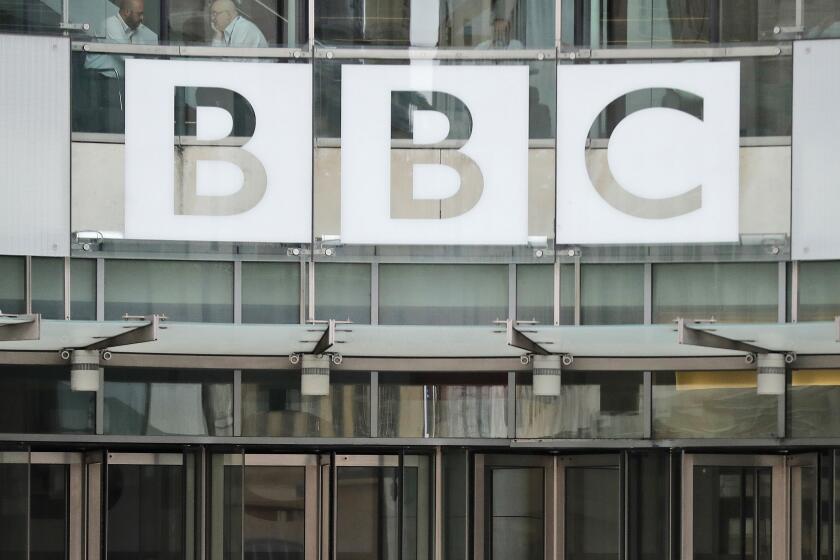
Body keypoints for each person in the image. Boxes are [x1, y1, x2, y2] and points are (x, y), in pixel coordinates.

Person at [84, 0, 158, 79]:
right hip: (98, 79)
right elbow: (128, 57)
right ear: (127, 12)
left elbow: (150, 53)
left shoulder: (135, 28)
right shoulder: (110, 25)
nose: (142, 18)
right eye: (139, 14)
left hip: (117, 80)